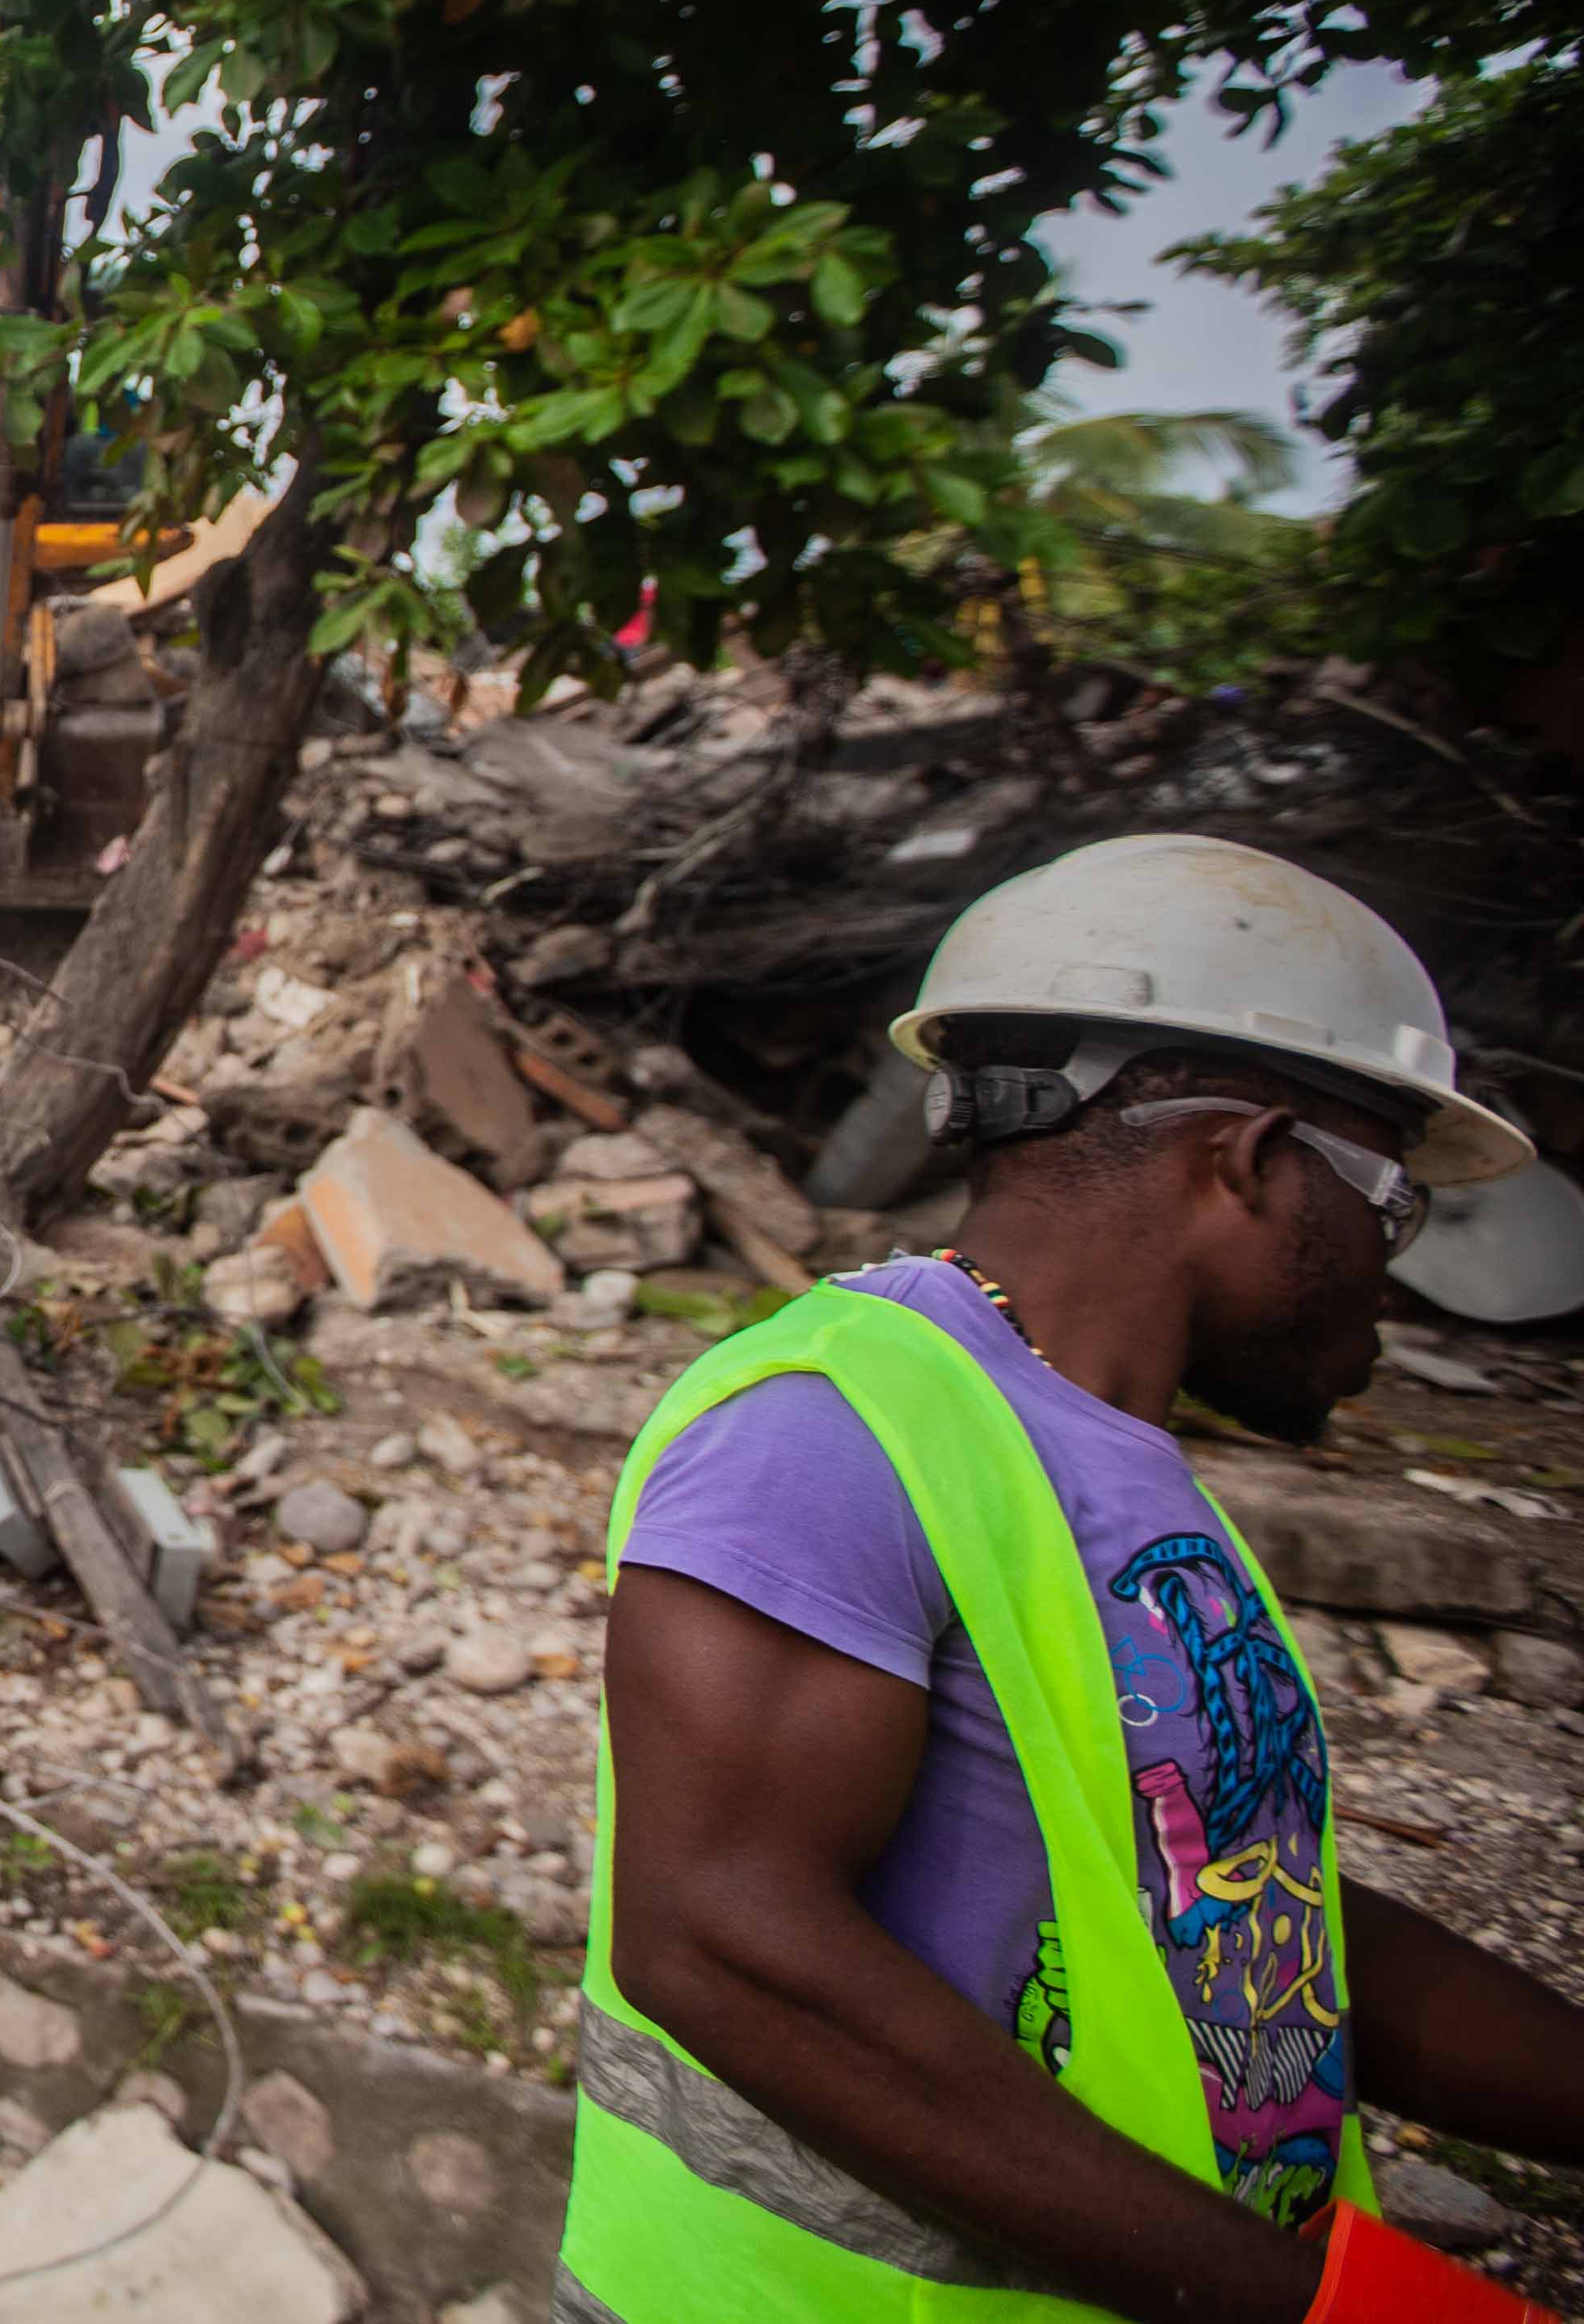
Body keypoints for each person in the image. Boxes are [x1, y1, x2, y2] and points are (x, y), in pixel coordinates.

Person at [572, 833, 1582, 2323]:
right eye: (1393, 1199)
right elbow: (720, 1942)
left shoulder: (1106, 1461)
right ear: (1243, 1163)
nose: (1396, 1264)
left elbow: (1237, 1910)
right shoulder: (828, 1432)